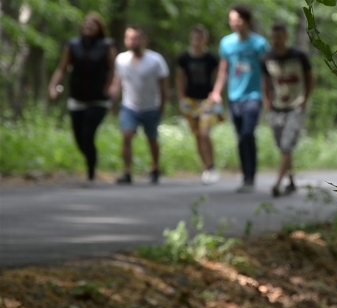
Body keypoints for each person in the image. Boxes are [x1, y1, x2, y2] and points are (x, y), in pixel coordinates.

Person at [48, 12, 116, 184]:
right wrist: (53, 87)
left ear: (99, 27)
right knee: (79, 138)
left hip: (98, 99)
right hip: (77, 97)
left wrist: (111, 87)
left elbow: (114, 70)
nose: (89, 25)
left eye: (93, 23)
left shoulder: (106, 45)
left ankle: (91, 171)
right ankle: (91, 160)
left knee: (88, 134)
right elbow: (62, 69)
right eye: (87, 22)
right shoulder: (72, 45)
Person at [209, 4, 270, 193]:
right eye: (231, 20)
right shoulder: (227, 43)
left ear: (247, 21)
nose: (234, 23)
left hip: (253, 96)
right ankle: (246, 176)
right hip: (234, 97)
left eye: (238, 19)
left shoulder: (259, 44)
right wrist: (217, 91)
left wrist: (268, 96)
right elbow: (224, 69)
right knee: (240, 137)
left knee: (247, 134)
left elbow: (268, 72)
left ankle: (251, 176)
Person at [108, 26, 169, 184]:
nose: (132, 41)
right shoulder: (121, 59)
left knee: (152, 139)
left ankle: (155, 168)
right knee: (127, 136)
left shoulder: (156, 60)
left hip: (150, 107)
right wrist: (112, 94)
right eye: (128, 38)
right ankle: (127, 172)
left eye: (135, 38)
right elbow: (117, 80)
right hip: (130, 107)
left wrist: (161, 106)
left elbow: (163, 86)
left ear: (143, 40)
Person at [261, 23, 314, 197]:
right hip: (277, 107)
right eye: (273, 37)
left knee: (287, 144)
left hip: (295, 106)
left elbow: (310, 78)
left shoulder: (299, 56)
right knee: (283, 146)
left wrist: (304, 100)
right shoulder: (267, 58)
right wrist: (267, 102)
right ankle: (291, 181)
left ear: (286, 37)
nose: (275, 40)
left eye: (279, 37)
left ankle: (277, 183)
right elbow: (265, 81)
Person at [176, 25, 221, 185]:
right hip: (191, 101)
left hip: (207, 100)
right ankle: (206, 167)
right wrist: (182, 98)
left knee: (205, 134)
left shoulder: (211, 58)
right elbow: (180, 78)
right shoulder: (184, 58)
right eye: (194, 37)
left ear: (205, 39)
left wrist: (216, 95)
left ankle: (212, 166)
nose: (197, 40)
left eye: (200, 37)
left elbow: (219, 77)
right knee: (196, 135)